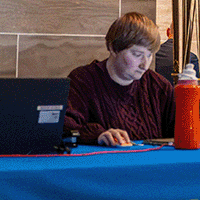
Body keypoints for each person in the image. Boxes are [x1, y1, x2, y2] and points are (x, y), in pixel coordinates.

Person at [66, 12, 175, 146]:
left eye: (149, 55)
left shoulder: (158, 86)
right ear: (113, 48)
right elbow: (64, 126)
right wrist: (97, 134)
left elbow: (178, 132)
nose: (144, 64)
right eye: (137, 54)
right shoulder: (82, 81)